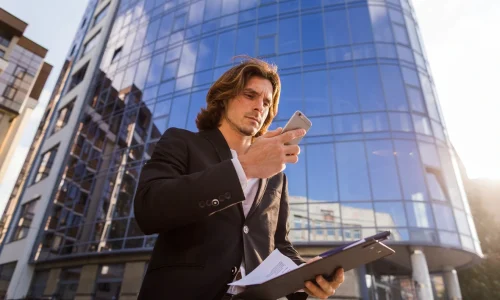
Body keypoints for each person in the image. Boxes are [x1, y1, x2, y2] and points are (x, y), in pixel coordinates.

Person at [134, 57, 344, 300]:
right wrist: (242, 169)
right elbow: (148, 209)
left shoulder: (277, 178)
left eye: (266, 102)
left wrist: (307, 276)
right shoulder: (182, 142)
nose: (260, 107)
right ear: (224, 98)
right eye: (250, 95)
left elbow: (279, 246)